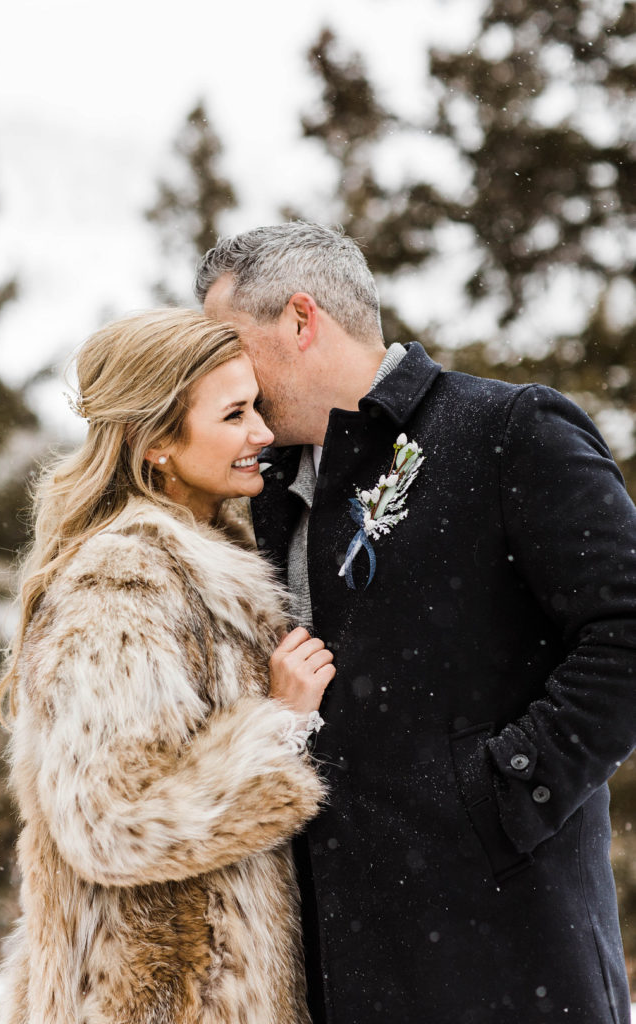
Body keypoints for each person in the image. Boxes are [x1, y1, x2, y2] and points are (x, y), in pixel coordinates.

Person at [196, 222, 636, 1024]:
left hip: (504, 954)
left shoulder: (507, 432)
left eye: (229, 343)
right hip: (334, 970)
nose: (224, 373)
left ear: (301, 320)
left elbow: (626, 628)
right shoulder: (256, 493)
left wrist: (504, 795)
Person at [0, 308, 336, 1024]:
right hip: (152, 1000)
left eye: (259, 408)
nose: (263, 434)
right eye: (235, 414)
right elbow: (110, 823)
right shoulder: (122, 582)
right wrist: (278, 726)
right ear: (155, 444)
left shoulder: (220, 559)